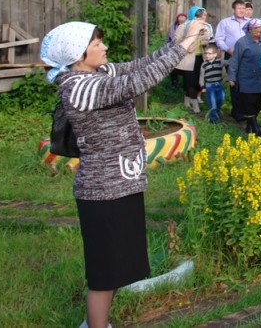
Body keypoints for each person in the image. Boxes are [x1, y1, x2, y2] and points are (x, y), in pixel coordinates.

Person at [41, 17, 208, 328]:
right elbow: (138, 82)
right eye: (97, 44)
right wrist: (185, 46)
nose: (104, 47)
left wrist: (178, 41)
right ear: (78, 54)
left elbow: (141, 65)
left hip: (122, 184)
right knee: (104, 276)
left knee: (117, 269)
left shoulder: (99, 72)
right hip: (103, 191)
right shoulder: (79, 88)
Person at [229, 18, 261, 135]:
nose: (259, 32)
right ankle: (256, 129)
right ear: (250, 30)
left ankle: (249, 127)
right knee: (249, 104)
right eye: (256, 29)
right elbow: (234, 60)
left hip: (260, 78)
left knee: (257, 104)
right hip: (246, 78)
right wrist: (231, 77)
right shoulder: (242, 42)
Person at [214, 0, 248, 120]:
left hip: (247, 57)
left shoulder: (250, 22)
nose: (241, 10)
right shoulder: (225, 23)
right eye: (239, 8)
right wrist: (228, 49)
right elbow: (218, 39)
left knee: (246, 82)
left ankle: (247, 110)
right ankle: (237, 112)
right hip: (232, 55)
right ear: (233, 10)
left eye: (243, 8)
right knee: (235, 83)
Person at [174, 6, 212, 113]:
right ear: (194, 16)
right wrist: (190, 40)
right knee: (191, 80)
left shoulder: (203, 27)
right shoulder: (183, 26)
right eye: (201, 16)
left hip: (200, 56)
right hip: (188, 57)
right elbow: (177, 41)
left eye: (204, 16)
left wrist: (205, 41)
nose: (204, 18)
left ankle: (186, 102)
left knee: (197, 80)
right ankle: (195, 104)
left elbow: (207, 39)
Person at [199, 43, 225, 124]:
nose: (207, 55)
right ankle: (214, 119)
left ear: (215, 54)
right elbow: (201, 76)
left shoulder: (219, 62)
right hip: (209, 85)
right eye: (205, 53)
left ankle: (216, 111)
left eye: (209, 53)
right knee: (212, 101)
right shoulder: (204, 64)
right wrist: (202, 86)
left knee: (221, 98)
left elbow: (229, 62)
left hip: (219, 84)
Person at [166, 13, 187, 88]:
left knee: (185, 68)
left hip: (184, 50)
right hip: (173, 49)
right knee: (173, 67)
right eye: (180, 17)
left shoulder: (187, 26)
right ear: (177, 19)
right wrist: (167, 48)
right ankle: (174, 83)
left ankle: (185, 84)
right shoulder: (173, 27)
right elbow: (168, 39)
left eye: (183, 17)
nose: (181, 19)